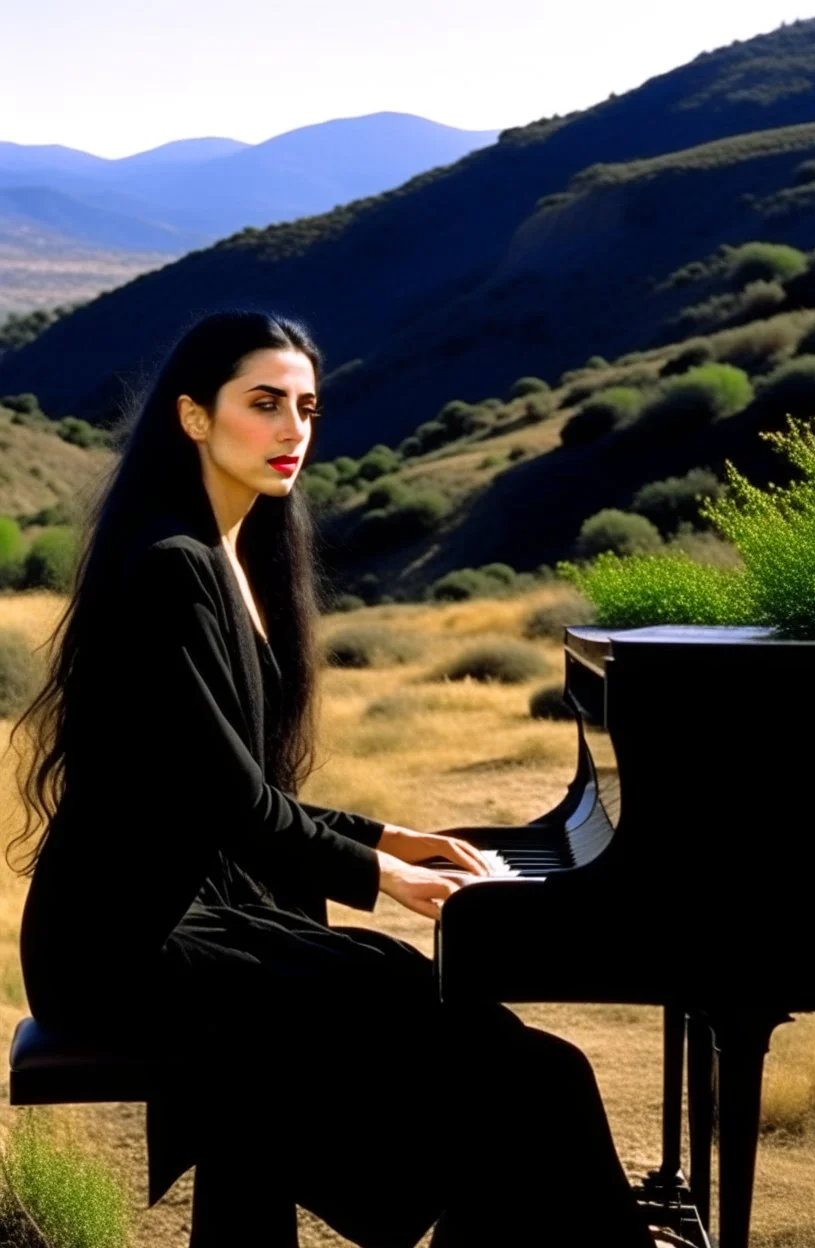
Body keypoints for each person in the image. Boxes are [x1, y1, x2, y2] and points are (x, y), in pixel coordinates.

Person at [9, 309, 691, 1248]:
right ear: (195, 418)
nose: (292, 430)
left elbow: (233, 782)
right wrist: (390, 880)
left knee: (501, 1060)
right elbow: (235, 806)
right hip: (122, 949)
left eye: (307, 408)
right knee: (530, 1076)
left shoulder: (229, 554)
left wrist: (382, 838)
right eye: (264, 404)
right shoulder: (171, 566)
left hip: (180, 917)